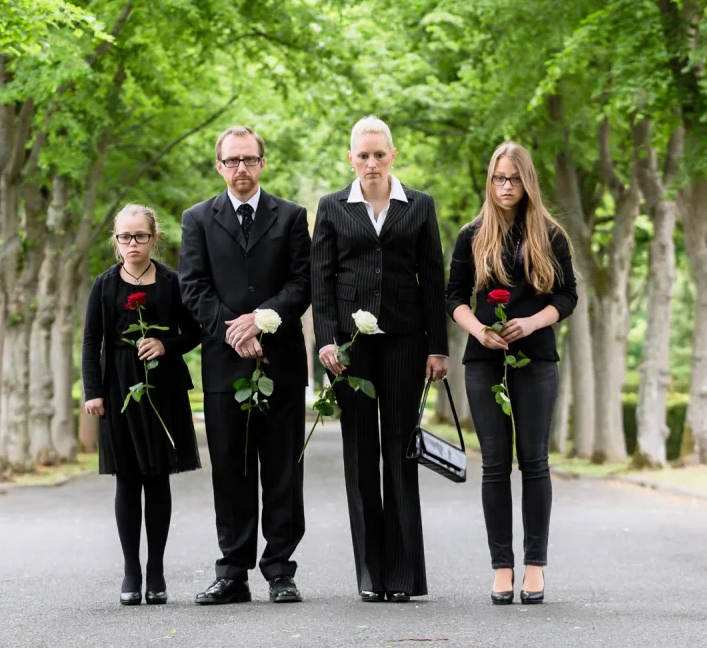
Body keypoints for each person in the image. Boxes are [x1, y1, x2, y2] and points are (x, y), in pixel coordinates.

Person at [310, 117, 449, 603]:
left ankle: (403, 575)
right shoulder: (331, 207)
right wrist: (326, 340)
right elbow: (321, 280)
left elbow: (432, 277)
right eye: (363, 155)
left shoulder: (419, 205)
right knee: (360, 453)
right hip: (351, 348)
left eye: (379, 154)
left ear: (392, 155)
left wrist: (437, 346)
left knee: (400, 452)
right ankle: (371, 574)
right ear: (351, 158)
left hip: (405, 342)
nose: (371, 163)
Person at [179, 126, 312, 605]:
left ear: (262, 163)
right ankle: (233, 573)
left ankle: (280, 570)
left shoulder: (292, 217)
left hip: (281, 363)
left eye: (249, 159)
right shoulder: (197, 219)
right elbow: (193, 287)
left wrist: (262, 320)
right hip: (223, 365)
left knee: (282, 471)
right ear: (219, 166)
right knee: (230, 473)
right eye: (232, 160)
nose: (241, 168)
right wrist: (233, 332)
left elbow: (302, 283)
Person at [445, 142, 577, 606]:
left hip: (536, 359)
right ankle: (502, 567)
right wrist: (479, 330)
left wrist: (533, 322)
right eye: (499, 178)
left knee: (535, 461)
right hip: (484, 362)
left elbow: (567, 297)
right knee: (495, 464)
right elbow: (453, 296)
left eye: (514, 179)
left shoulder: (551, 235)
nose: (506, 186)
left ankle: (535, 566)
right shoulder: (472, 234)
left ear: (527, 182)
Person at [82, 205, 202, 606]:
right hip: (118, 387)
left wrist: (165, 345)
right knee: (128, 479)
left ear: (154, 238)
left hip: (162, 388)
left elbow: (194, 331)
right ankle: (131, 570)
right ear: (115, 240)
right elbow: (91, 341)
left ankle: (157, 571)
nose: (132, 244)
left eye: (140, 236)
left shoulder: (172, 282)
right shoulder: (104, 285)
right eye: (124, 237)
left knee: (158, 478)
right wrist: (93, 391)